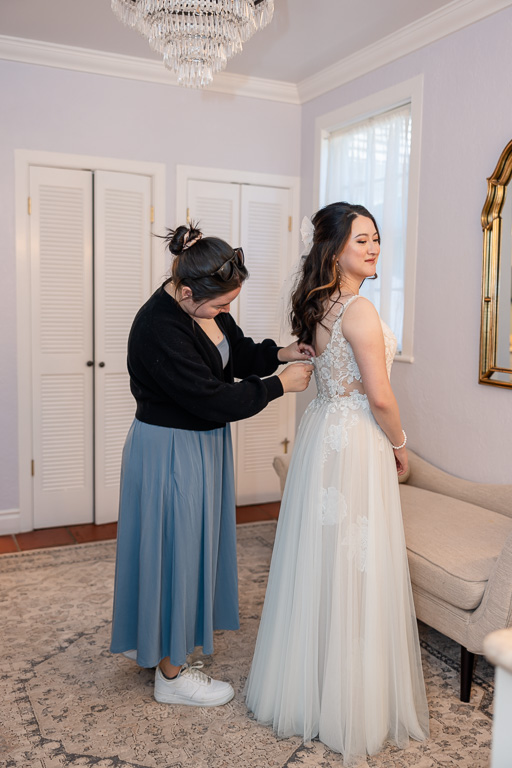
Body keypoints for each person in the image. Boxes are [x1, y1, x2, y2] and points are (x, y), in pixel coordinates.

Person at [245, 202, 429, 764]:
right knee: (355, 562)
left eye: (376, 239)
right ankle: (350, 699)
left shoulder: (320, 306)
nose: (373, 249)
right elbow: (380, 396)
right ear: (335, 251)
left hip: (323, 431)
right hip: (355, 441)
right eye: (361, 241)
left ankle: (313, 685)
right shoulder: (360, 310)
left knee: (322, 558)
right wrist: (401, 448)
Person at [110, 223, 314, 708]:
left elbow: (235, 353)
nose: (227, 313)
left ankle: (170, 650)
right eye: (221, 306)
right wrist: (279, 385)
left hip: (199, 444)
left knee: (189, 549)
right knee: (174, 552)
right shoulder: (158, 326)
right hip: (170, 451)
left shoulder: (203, 307)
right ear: (184, 292)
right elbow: (211, 397)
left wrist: (279, 353)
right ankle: (171, 676)